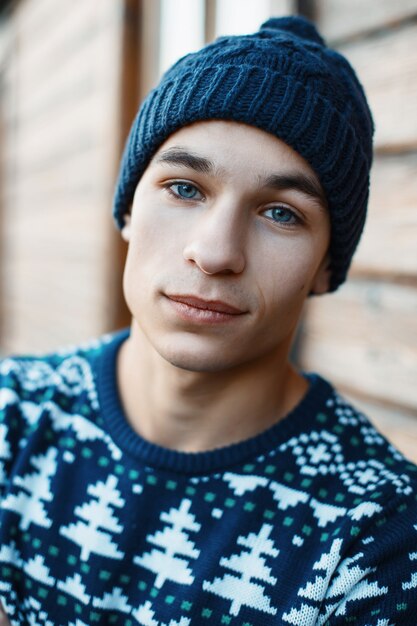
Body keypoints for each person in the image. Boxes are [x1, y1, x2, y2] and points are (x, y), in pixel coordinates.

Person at [0, 15, 416, 626]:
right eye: (185, 189)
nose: (217, 252)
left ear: (326, 267)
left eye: (280, 213)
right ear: (128, 211)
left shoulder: (380, 534)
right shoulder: (12, 418)